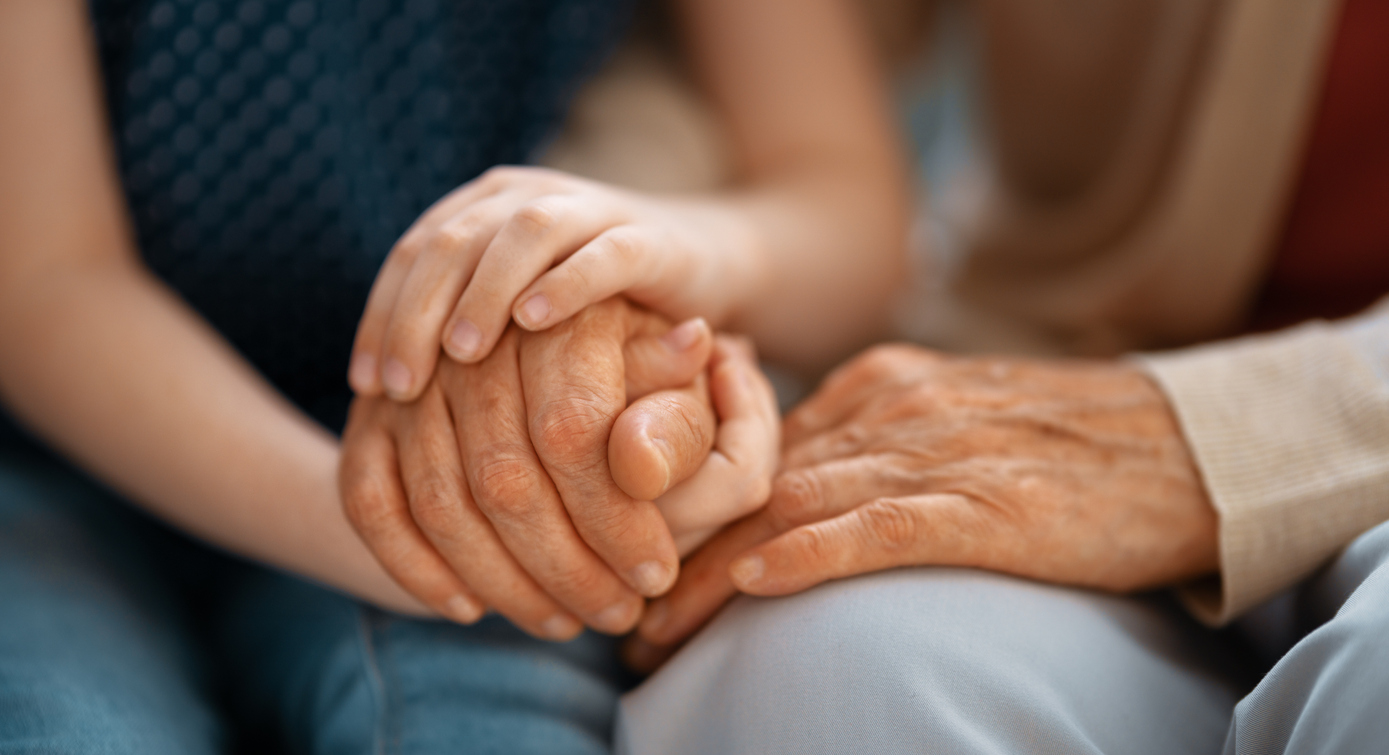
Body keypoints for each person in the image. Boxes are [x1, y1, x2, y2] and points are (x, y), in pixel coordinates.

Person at [0, 1, 905, 753]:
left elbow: (844, 202)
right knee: (63, 729)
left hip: (438, 429)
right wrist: (414, 526)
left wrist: (659, 247)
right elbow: (41, 283)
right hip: (52, 454)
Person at [603, 0, 1389, 752]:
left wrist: (1206, 438)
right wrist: (599, 274)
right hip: (1045, 362)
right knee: (831, 669)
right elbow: (734, 93)